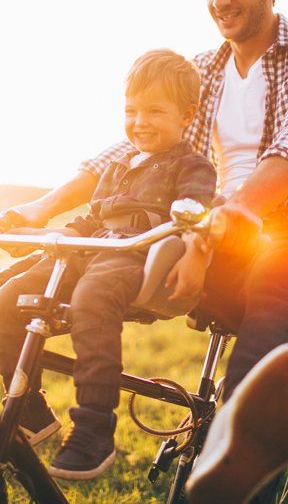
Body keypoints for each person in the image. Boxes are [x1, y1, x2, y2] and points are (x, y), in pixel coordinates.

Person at [0, 0, 288, 503]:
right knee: (37, 282)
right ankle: (35, 420)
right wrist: (41, 207)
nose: (220, 0)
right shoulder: (201, 69)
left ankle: (237, 461)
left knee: (280, 275)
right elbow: (132, 149)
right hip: (191, 228)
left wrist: (229, 216)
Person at [0, 49, 217, 480]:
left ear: (188, 114)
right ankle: (30, 408)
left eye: (155, 111)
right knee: (8, 297)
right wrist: (54, 238)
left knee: (93, 298)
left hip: (135, 258)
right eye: (132, 110)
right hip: (89, 253)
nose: (140, 121)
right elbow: (92, 217)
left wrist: (196, 247)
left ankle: (94, 427)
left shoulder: (191, 165)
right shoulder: (117, 168)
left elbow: (196, 211)